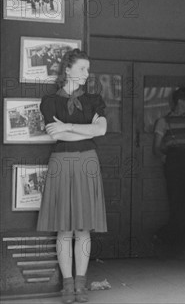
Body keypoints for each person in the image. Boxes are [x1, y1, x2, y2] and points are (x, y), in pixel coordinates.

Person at [37, 49, 108, 304]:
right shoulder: (49, 101)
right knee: (64, 229)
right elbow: (56, 136)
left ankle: (81, 284)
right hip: (62, 163)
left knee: (83, 228)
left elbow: (101, 130)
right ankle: (68, 286)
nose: (86, 75)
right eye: (82, 69)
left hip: (88, 162)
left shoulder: (94, 99)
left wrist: (68, 125)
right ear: (67, 69)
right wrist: (83, 131)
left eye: (88, 70)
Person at [152, 87, 185, 254]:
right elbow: (156, 147)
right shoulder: (164, 121)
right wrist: (166, 158)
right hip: (174, 161)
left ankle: (164, 235)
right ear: (180, 101)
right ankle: (177, 240)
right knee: (176, 200)